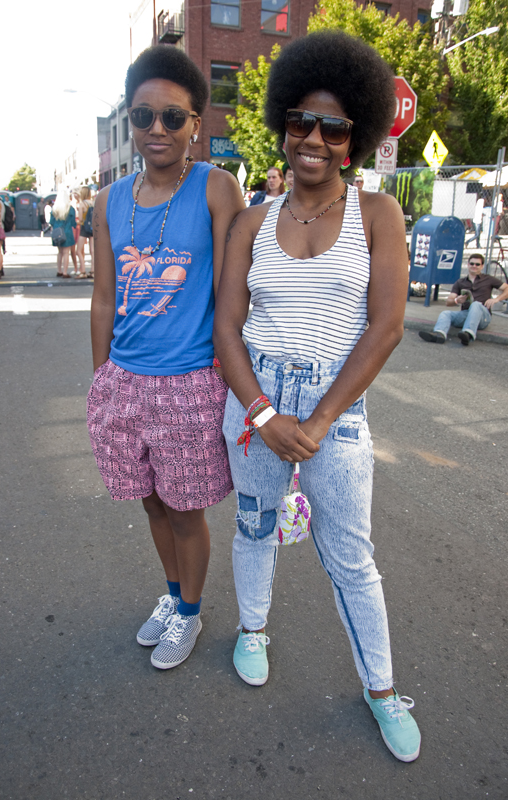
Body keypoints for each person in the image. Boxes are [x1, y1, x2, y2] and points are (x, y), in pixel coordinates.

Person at [214, 30, 421, 763]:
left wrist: (321, 419)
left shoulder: (377, 217)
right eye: (300, 120)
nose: (313, 138)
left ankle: (380, 689)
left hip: (337, 408)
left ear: (354, 138)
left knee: (352, 558)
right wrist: (266, 415)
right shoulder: (251, 222)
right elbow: (226, 329)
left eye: (333, 127)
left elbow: (386, 326)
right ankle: (252, 629)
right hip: (255, 404)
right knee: (254, 524)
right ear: (283, 123)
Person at [87, 45, 245, 671]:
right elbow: (104, 298)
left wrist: (233, 384)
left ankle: (190, 611)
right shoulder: (108, 201)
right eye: (144, 116)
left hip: (189, 382)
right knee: (151, 501)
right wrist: (103, 379)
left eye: (173, 118)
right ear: (131, 118)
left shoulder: (215, 187)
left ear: (195, 125)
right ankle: (175, 593)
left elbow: (234, 297)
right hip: (125, 381)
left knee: (184, 508)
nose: (158, 130)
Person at [418, 253, 508, 345]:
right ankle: (439, 334)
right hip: (466, 313)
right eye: (472, 263)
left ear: (482, 266)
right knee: (446, 313)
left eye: (477, 264)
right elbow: (449, 301)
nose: (474, 266)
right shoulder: (460, 282)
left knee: (476, 304)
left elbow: (506, 289)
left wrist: (496, 299)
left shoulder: (488, 279)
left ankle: (468, 334)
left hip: (483, 316)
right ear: (468, 264)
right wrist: (456, 300)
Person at [50, 187, 77, 277]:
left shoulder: (54, 208)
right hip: (67, 232)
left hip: (57, 232)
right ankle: (65, 272)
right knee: (66, 253)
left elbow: (51, 222)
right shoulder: (70, 209)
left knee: (60, 252)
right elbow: (73, 222)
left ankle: (59, 270)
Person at [76, 186, 94, 278]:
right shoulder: (93, 203)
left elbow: (80, 219)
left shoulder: (82, 204)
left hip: (84, 228)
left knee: (78, 250)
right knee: (92, 251)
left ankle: (82, 270)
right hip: (93, 229)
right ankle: (93, 270)